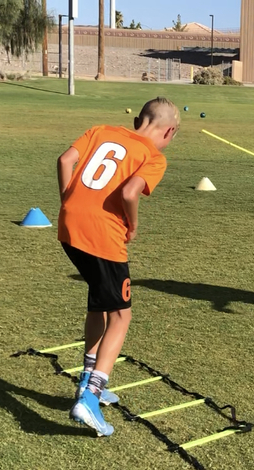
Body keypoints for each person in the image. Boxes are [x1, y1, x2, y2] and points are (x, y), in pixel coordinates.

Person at [56, 96, 178, 436]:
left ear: (138, 120)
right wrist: (133, 225)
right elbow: (129, 193)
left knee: (99, 302)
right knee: (121, 315)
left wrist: (68, 199)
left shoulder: (101, 130)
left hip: (69, 227)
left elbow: (65, 159)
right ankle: (91, 397)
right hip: (103, 235)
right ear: (169, 132)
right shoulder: (154, 156)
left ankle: (86, 380)